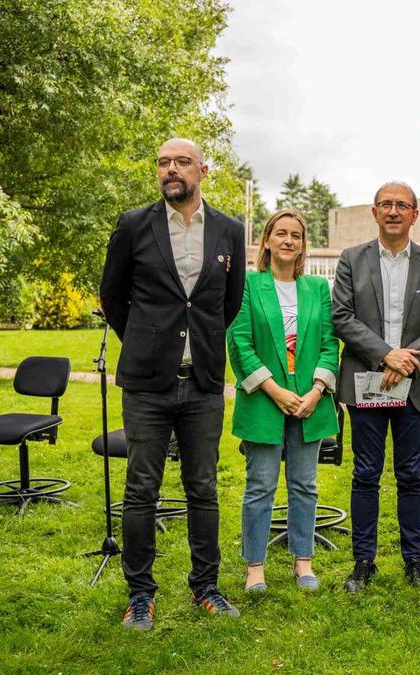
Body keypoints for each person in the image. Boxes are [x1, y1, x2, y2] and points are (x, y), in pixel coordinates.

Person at [99, 138, 246, 630]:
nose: (171, 170)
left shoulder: (229, 230)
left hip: (202, 382)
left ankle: (206, 586)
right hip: (146, 383)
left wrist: (198, 344)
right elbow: (113, 296)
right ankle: (141, 593)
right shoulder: (133, 225)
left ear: (202, 169)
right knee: (141, 488)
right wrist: (145, 341)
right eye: (163, 162)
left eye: (182, 162)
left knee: (203, 487)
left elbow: (228, 302)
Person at [331, 181, 420, 592]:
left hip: (414, 383)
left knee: (410, 475)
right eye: (385, 204)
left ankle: (413, 560)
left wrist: (409, 360)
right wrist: (387, 355)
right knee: (365, 473)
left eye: (402, 205)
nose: (393, 211)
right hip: (367, 380)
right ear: (374, 212)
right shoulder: (352, 259)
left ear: (414, 215)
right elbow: (342, 317)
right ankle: (363, 563)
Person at [227, 208, 341, 593]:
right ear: (267, 240)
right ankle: (255, 566)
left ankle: (302, 561)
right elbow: (239, 342)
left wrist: (316, 391)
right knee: (260, 484)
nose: (289, 240)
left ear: (303, 244)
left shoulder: (317, 289)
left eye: (296, 235)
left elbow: (329, 344)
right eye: (281, 233)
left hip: (309, 401)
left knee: (304, 484)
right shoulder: (248, 285)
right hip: (264, 398)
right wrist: (273, 389)